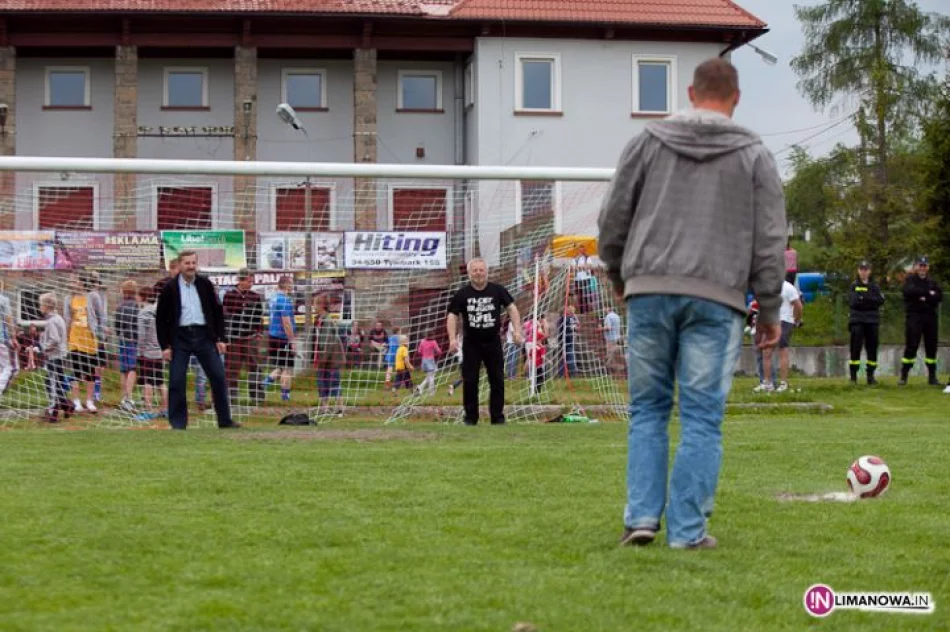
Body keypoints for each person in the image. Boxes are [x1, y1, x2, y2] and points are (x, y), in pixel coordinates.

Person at [598, 58, 785, 550]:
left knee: (648, 410)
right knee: (702, 416)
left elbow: (613, 216)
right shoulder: (756, 155)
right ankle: (687, 533)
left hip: (649, 290)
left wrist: (620, 275)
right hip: (716, 296)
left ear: (689, 92)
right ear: (736, 98)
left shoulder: (645, 142)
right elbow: (770, 238)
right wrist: (768, 309)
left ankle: (640, 518)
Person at [155, 250, 237, 430]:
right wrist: (165, 346)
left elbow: (217, 312)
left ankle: (225, 420)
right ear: (180, 265)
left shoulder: (205, 284)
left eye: (193, 263)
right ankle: (178, 423)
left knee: (218, 376)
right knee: (176, 380)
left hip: (204, 336)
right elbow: (160, 319)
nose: (191, 266)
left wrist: (221, 338)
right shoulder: (170, 288)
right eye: (187, 263)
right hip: (180, 338)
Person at [447, 257, 523, 425]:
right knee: (470, 380)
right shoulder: (462, 294)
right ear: (469, 274)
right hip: (471, 343)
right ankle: (470, 418)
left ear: (487, 272)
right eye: (475, 270)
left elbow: (512, 308)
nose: (479, 273)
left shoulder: (497, 290)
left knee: (497, 380)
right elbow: (452, 315)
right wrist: (452, 339)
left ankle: (497, 417)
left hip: (493, 342)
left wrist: (517, 330)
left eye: (481, 270)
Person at [222, 268, 264, 406]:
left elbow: (259, 316)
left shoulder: (255, 297)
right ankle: (231, 398)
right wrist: (225, 337)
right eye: (248, 281)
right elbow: (225, 317)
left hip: (250, 337)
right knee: (232, 368)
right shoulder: (229, 296)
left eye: (252, 281)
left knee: (255, 367)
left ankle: (257, 397)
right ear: (240, 280)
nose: (251, 284)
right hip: (234, 339)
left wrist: (258, 332)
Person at [900, 255, 943, 386]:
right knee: (911, 346)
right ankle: (904, 376)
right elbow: (909, 292)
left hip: (930, 317)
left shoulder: (932, 282)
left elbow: (939, 296)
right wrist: (928, 294)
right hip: (914, 317)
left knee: (931, 347)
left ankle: (932, 377)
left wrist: (925, 296)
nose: (922, 268)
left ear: (928, 267)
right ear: (916, 267)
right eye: (920, 265)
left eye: (925, 266)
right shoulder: (910, 280)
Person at [64, 272, 100, 413]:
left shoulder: (93, 296)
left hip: (89, 338)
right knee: (76, 371)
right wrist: (65, 337)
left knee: (90, 371)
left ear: (82, 282)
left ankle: (89, 401)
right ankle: (76, 401)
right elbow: (67, 318)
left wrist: (100, 333)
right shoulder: (68, 298)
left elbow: (101, 315)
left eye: (74, 280)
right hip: (74, 338)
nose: (71, 283)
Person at [760, 280, 802, 393]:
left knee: (782, 350)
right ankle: (767, 383)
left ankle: (783, 383)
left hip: (785, 320)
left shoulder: (788, 287)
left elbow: (798, 305)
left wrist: (795, 320)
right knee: (766, 351)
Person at [848, 260, 885, 385]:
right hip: (857, 320)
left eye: (866, 269)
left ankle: (871, 376)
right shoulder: (854, 285)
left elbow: (880, 300)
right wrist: (868, 300)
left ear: (870, 271)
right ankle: (853, 376)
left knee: (872, 348)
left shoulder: (875, 286)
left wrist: (864, 297)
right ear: (858, 270)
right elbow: (854, 302)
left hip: (872, 320)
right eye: (861, 269)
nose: (863, 272)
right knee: (855, 348)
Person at [263, 275, 297, 401]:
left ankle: (264, 384)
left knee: (280, 367)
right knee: (287, 369)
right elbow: (286, 322)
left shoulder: (273, 298)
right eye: (291, 283)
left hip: (272, 336)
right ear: (286, 285)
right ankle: (285, 397)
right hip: (282, 337)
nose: (292, 286)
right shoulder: (284, 300)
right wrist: (292, 341)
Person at [38, 293, 71, 422]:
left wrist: (42, 349)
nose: (40, 307)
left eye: (41, 304)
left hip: (55, 357)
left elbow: (55, 340)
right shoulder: (58, 318)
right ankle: (67, 406)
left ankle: (53, 413)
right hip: (61, 356)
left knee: (51, 383)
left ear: (46, 306)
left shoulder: (51, 321)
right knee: (57, 383)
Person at [136, 285, 167, 421]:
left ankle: (148, 410)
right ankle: (165, 409)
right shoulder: (161, 310)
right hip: (160, 351)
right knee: (160, 381)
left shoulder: (144, 312)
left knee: (148, 381)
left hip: (148, 352)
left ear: (143, 297)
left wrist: (140, 350)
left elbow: (141, 334)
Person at [313, 295, 345, 416]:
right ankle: (324, 408)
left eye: (315, 304)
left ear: (321, 306)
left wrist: (322, 360)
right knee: (322, 383)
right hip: (321, 357)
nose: (313, 307)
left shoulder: (327, 320)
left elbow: (327, 342)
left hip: (331, 358)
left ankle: (340, 408)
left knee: (334, 382)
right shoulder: (318, 320)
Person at [114, 279, 140, 411]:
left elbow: (116, 326)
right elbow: (138, 324)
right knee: (132, 369)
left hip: (122, 340)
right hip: (133, 341)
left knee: (124, 369)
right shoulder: (136, 306)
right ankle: (129, 398)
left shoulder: (119, 307)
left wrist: (120, 334)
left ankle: (124, 398)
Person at [0, 283, 18, 395]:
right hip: (2, 340)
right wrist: (14, 337)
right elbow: (9, 319)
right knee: (12, 368)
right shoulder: (3, 300)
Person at [557, 304, 579, 378]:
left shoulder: (563, 319)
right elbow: (575, 328)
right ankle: (571, 373)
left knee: (565, 357)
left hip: (564, 340)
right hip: (567, 340)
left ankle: (563, 373)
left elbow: (575, 327)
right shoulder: (568, 319)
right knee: (569, 356)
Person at [601, 306, 623, 375]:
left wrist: (600, 329)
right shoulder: (617, 316)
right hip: (617, 337)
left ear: (608, 308)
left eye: (604, 307)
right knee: (612, 355)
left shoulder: (608, 316)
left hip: (610, 338)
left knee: (610, 356)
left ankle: (610, 369)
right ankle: (614, 371)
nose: (603, 309)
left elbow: (609, 328)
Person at [574, 245, 594, 313]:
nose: (581, 251)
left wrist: (580, 267)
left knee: (586, 294)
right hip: (578, 279)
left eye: (582, 250)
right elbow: (574, 268)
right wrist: (583, 267)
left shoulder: (588, 258)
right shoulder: (575, 259)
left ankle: (587, 311)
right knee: (579, 295)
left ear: (584, 250)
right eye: (579, 250)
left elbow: (589, 266)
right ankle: (581, 311)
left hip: (586, 278)